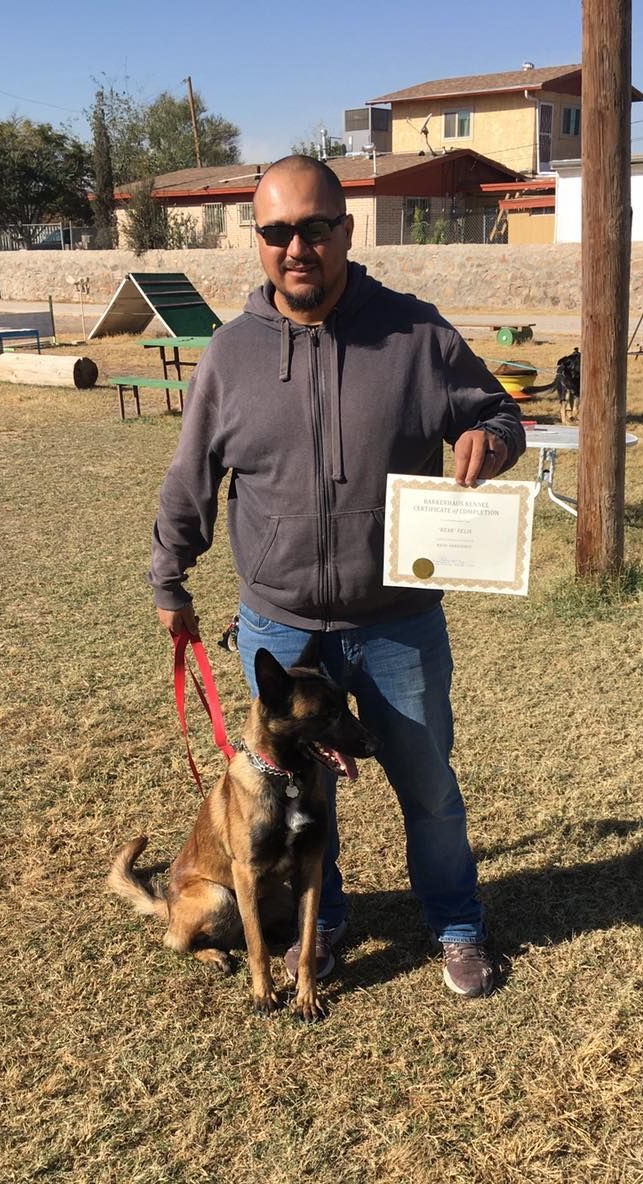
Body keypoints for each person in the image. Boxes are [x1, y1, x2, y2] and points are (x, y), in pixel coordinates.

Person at [149, 154, 525, 1000]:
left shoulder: (415, 334)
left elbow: (499, 411)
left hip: (397, 622)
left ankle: (457, 927)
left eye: (315, 229)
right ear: (258, 241)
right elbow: (192, 476)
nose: (297, 248)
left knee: (429, 787)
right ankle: (331, 923)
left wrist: (490, 442)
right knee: (305, 795)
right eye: (277, 231)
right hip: (281, 628)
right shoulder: (232, 354)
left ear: (345, 233)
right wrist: (171, 577)